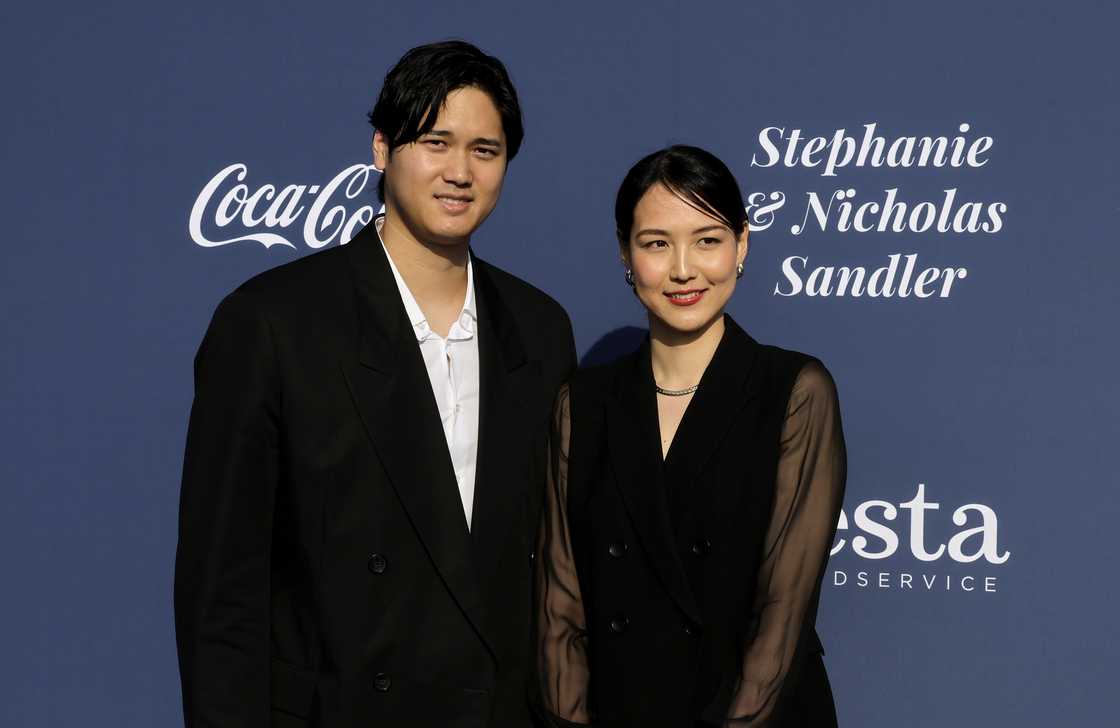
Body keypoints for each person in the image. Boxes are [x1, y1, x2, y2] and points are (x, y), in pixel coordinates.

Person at [175, 41, 576, 728]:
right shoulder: (273, 323)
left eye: (485, 149)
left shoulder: (539, 330)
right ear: (382, 149)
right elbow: (221, 593)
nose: (459, 171)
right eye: (434, 141)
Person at [534, 145, 845, 727]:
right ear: (626, 253)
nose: (683, 269)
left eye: (708, 239)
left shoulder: (794, 391)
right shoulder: (583, 402)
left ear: (742, 245)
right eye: (656, 243)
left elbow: (782, 612)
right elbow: (560, 602)